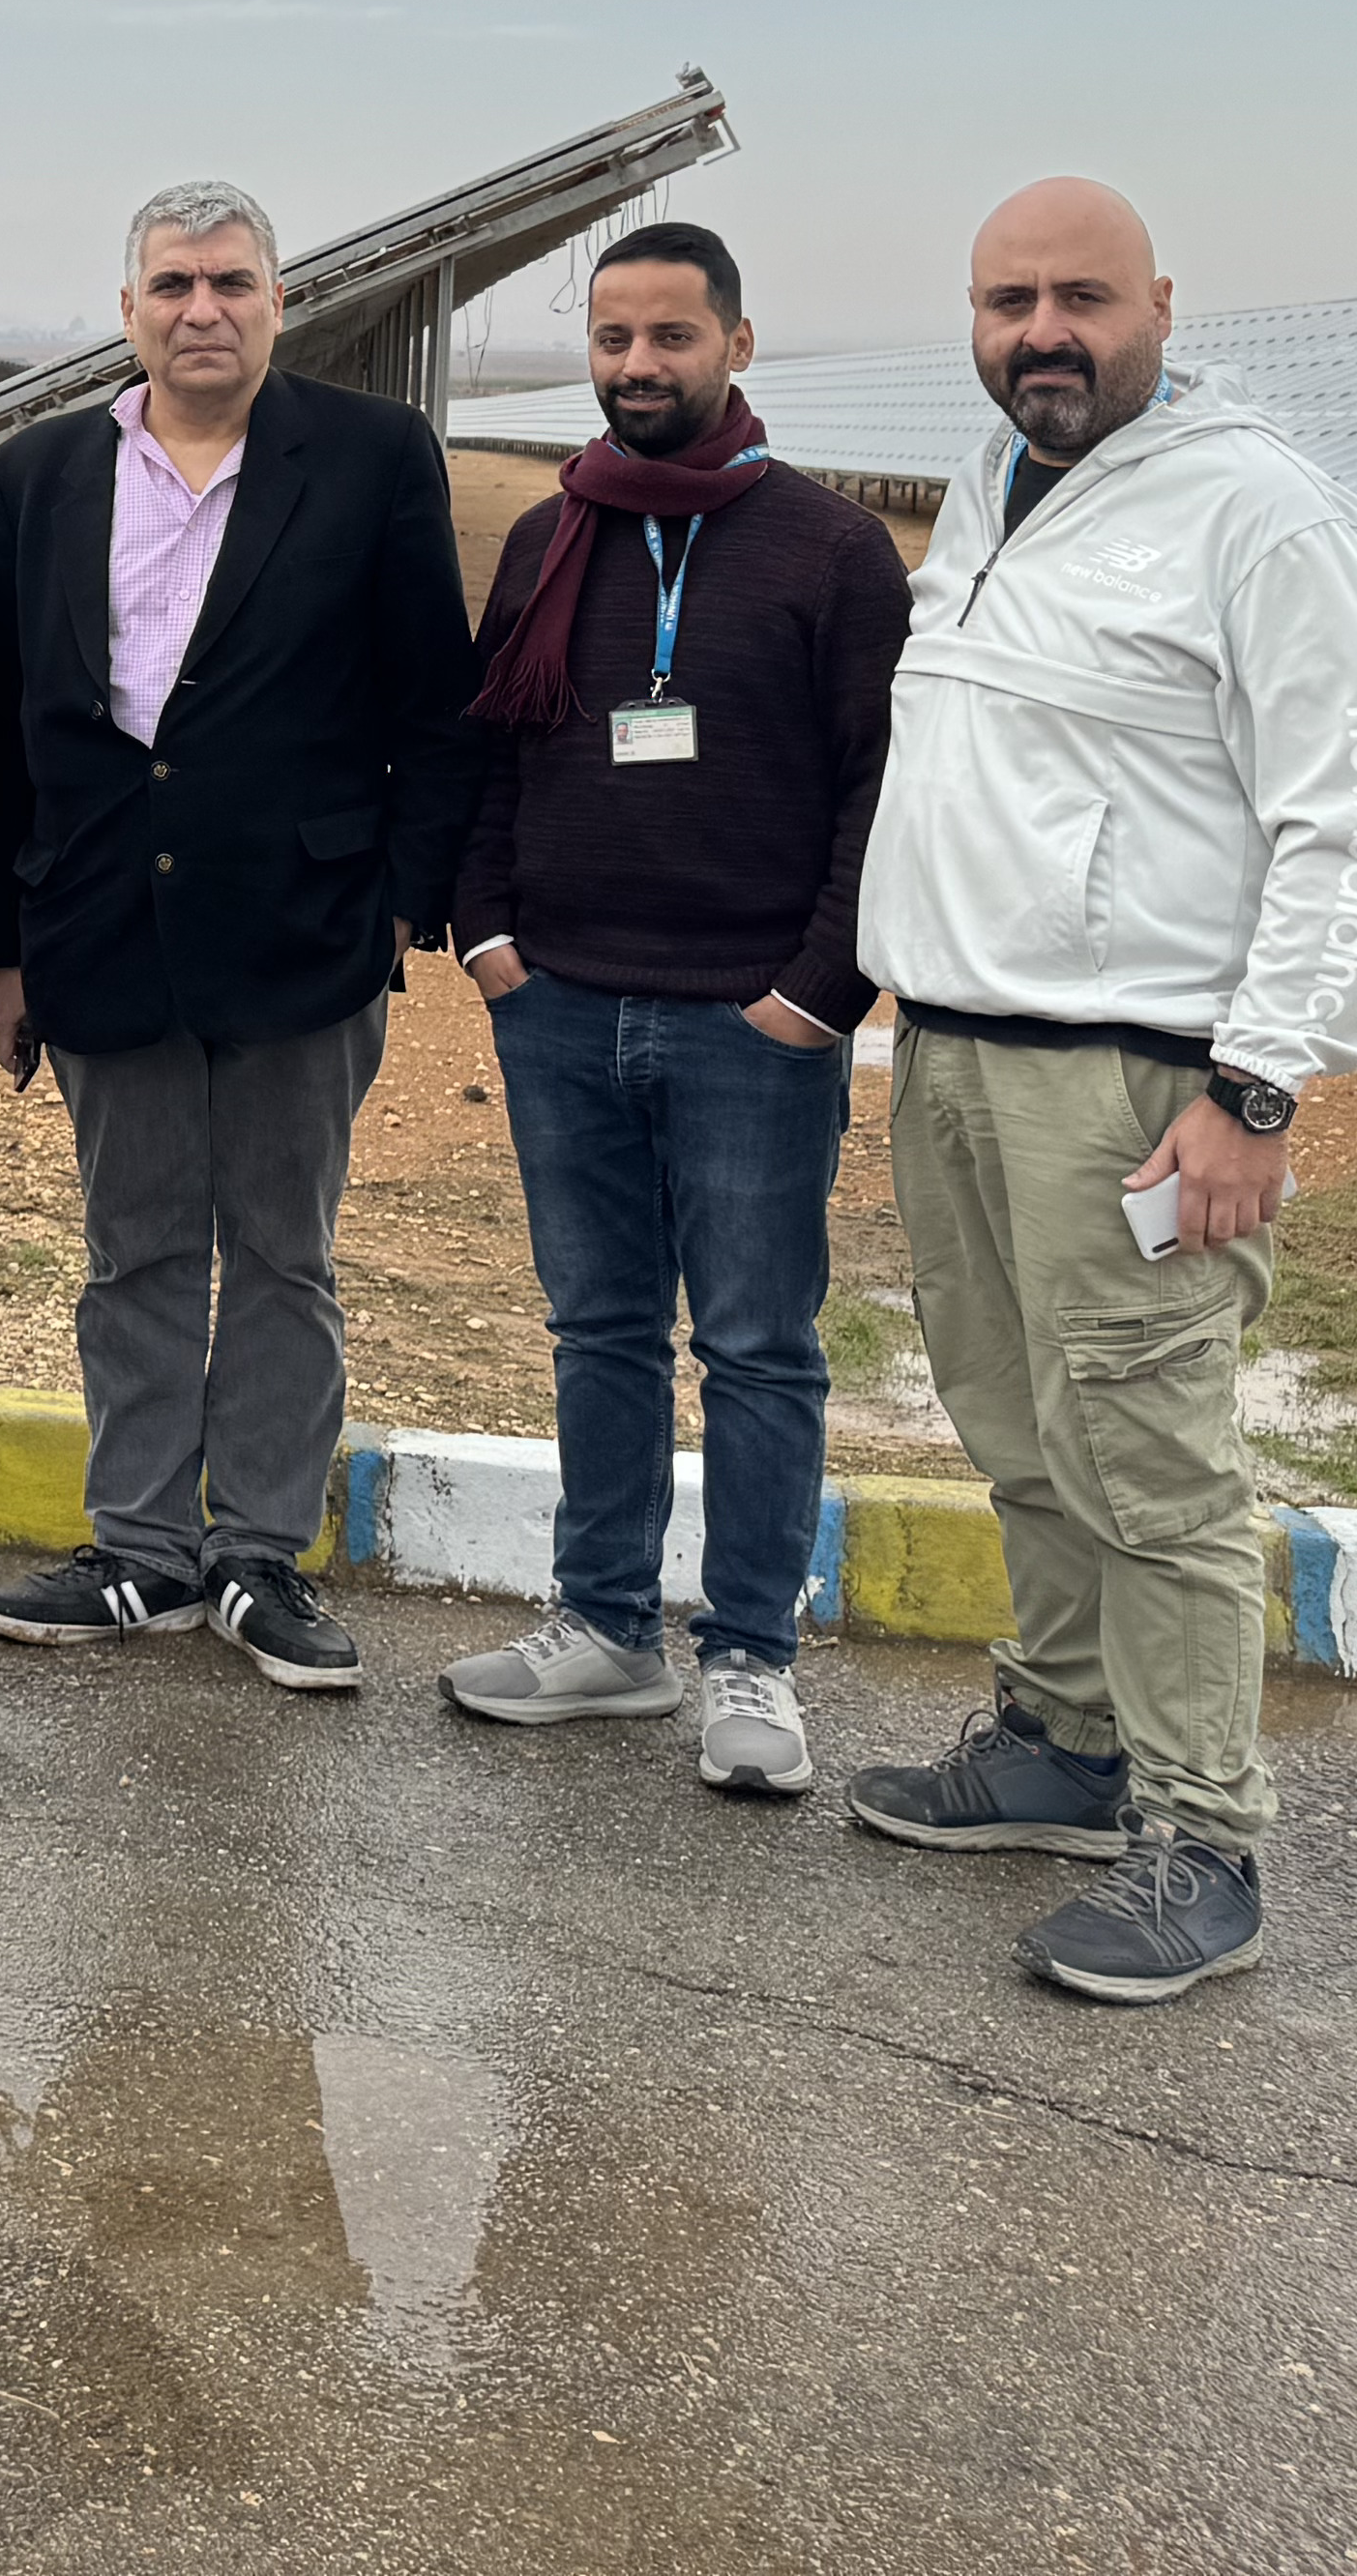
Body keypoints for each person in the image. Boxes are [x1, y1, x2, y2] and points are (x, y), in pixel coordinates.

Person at [842, 176, 1357, 2005]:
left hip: (1132, 1082)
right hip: (956, 1054)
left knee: (1152, 1453)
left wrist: (1255, 1090)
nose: (1042, 334)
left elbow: (1347, 818)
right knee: (1019, 1423)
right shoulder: (994, 481)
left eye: (1079, 297)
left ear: (1160, 302)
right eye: (1008, 299)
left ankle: (1203, 1833)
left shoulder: (1265, 516)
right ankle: (1063, 1744)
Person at [0, 184, 476, 1692]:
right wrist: (3, 943)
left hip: (302, 926)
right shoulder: (42, 471)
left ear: (276, 303)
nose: (202, 308)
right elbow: (2, 733)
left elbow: (428, 699)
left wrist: (401, 908)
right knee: (134, 1250)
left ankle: (257, 1553)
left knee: (283, 1254)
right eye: (172, 283)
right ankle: (139, 1550)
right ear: (127, 309)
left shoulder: (372, 458)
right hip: (100, 918)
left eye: (231, 282)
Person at [442, 217, 908, 1795]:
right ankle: (605, 1628)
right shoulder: (548, 533)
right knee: (600, 1330)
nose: (639, 367)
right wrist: (488, 935)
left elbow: (878, 794)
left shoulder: (832, 554)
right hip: (561, 1002)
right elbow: (496, 750)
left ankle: (755, 1662)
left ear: (737, 345)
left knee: (762, 1348)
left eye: (671, 338)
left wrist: (816, 993)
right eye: (614, 339)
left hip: (749, 1023)